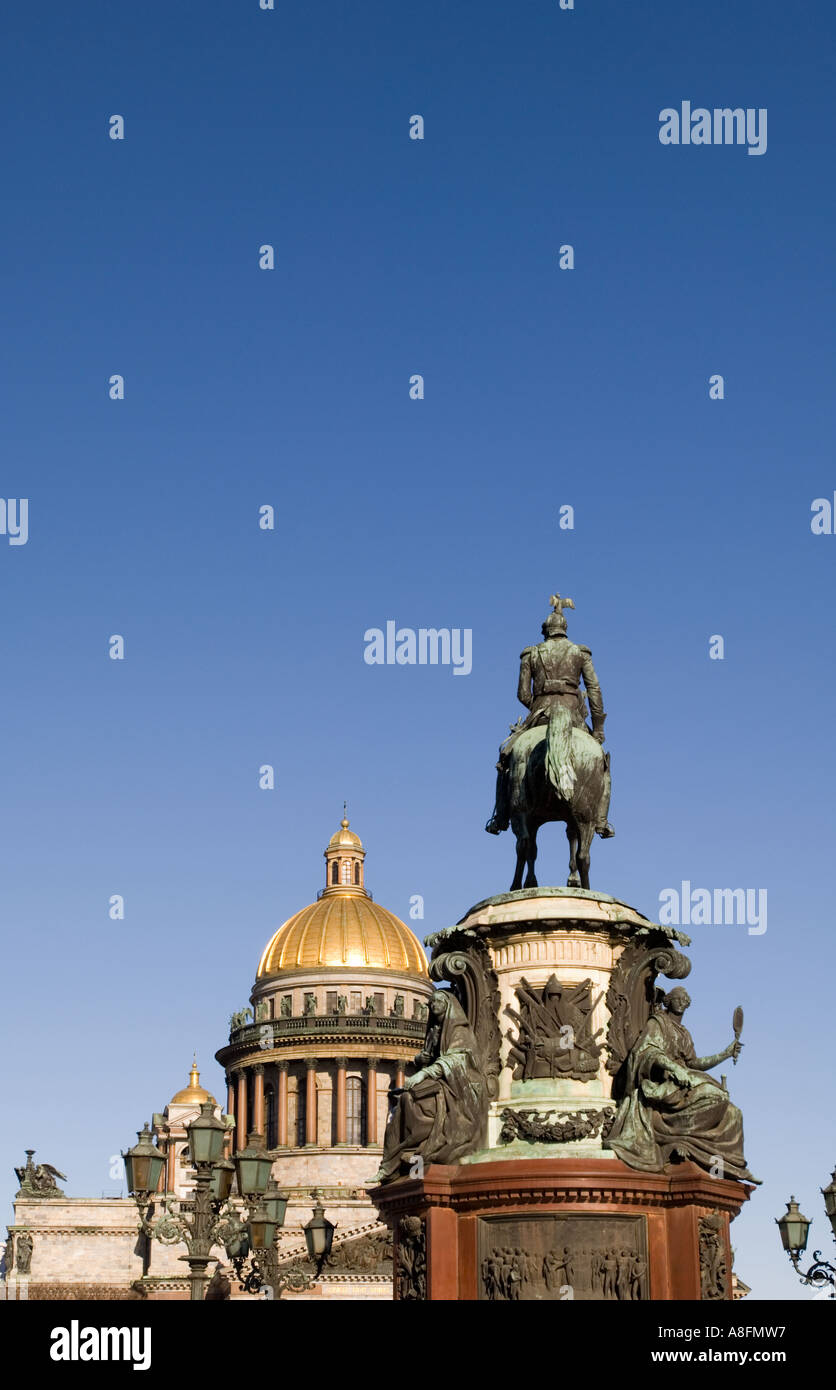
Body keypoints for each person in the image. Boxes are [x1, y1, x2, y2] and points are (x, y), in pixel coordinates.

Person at [486, 596, 613, 837]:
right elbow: (594, 690)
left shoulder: (531, 654)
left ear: (546, 632)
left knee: (505, 760)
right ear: (564, 631)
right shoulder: (580, 653)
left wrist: (539, 705)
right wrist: (598, 729)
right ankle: (601, 821)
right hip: (574, 716)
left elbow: (522, 693)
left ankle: (500, 816)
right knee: (603, 765)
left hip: (540, 713)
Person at [607, 988, 757, 1182]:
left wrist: (725, 1054)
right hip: (665, 1082)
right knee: (717, 1097)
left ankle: (730, 1164)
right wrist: (674, 1068)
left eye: (685, 999)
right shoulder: (658, 1023)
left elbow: (693, 1063)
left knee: (734, 1113)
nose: (681, 1001)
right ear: (668, 1001)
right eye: (677, 998)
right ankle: (676, 1134)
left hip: (684, 1080)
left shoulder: (684, 1033)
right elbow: (648, 1051)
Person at [372, 992, 486, 1184]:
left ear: (448, 1005)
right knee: (402, 1103)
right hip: (441, 1080)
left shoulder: (459, 1031)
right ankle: (390, 1164)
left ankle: (418, 1148)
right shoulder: (434, 1030)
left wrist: (424, 1073)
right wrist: (419, 1060)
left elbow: (457, 1059)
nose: (433, 1006)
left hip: (456, 1085)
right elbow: (427, 1055)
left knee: (413, 1101)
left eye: (438, 1002)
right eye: (431, 1003)